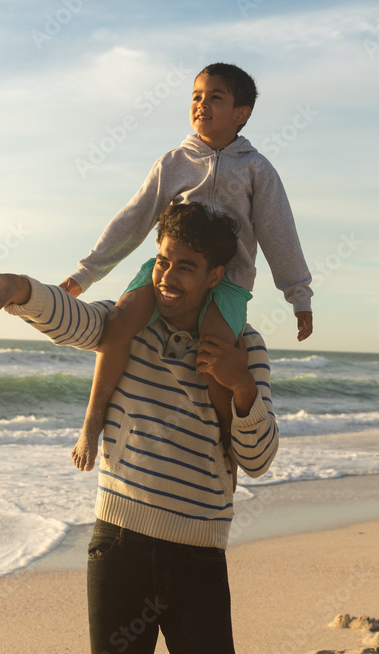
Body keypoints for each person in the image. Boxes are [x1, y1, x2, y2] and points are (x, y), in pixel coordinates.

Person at [0, 201, 278, 653]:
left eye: (185, 267)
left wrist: (241, 383)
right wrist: (21, 289)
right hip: (120, 545)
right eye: (162, 262)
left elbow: (258, 460)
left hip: (199, 555)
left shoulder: (245, 346)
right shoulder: (127, 326)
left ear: (214, 276)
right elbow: (74, 320)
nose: (167, 277)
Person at [62, 62, 312, 475]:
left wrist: (298, 296)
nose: (202, 104)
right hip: (168, 269)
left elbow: (279, 233)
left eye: (215, 97)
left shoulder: (257, 170)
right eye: (196, 96)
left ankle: (228, 442)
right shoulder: (175, 161)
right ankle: (91, 422)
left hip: (228, 283)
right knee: (120, 321)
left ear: (241, 113)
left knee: (215, 351)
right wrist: (88, 272)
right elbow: (134, 218)